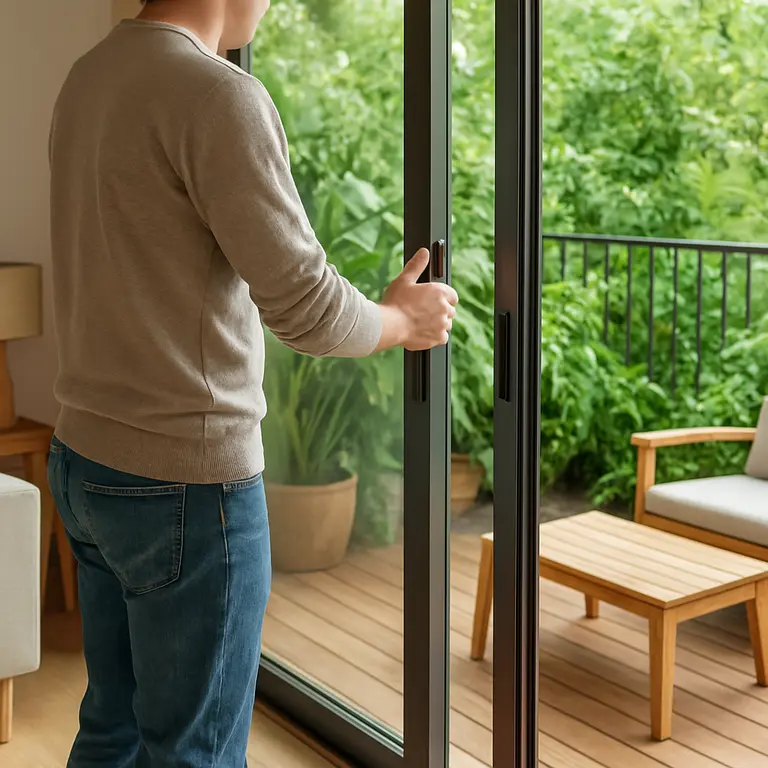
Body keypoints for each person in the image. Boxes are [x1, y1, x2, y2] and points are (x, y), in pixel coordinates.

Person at [47, 0, 458, 765]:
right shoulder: (216, 94)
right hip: (183, 481)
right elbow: (304, 306)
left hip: (83, 461)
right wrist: (402, 321)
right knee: (192, 751)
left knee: (115, 727)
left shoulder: (90, 75)